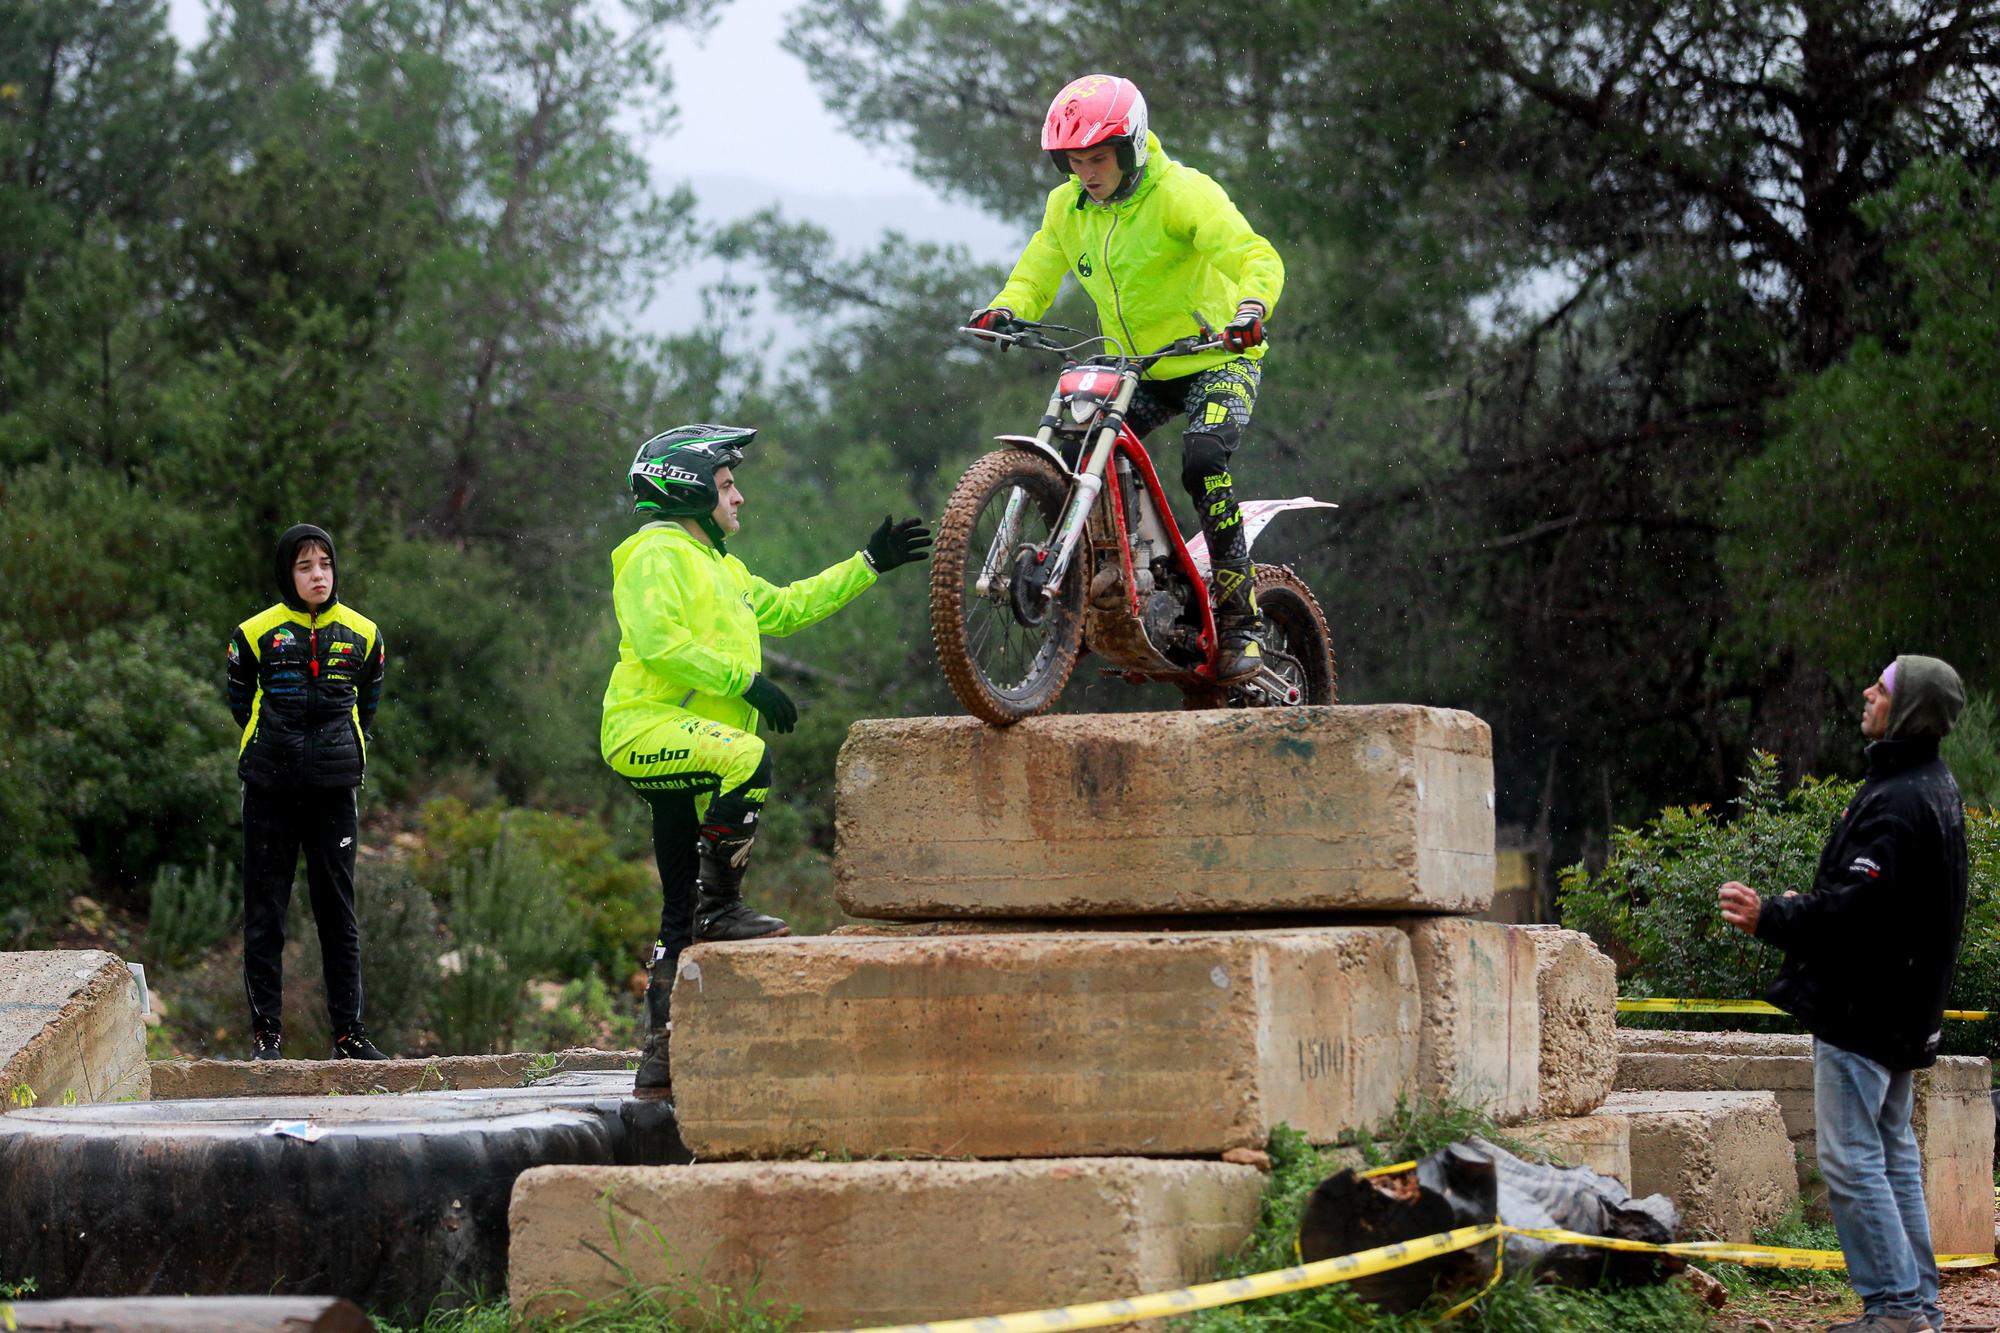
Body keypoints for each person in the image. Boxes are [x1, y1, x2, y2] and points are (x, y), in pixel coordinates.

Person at [603, 423, 931, 1096]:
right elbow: (659, 643)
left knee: (675, 910)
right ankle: (721, 908)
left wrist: (866, 564)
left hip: (691, 747)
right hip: (646, 728)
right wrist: (746, 682)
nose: (739, 497)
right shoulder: (653, 554)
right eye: (727, 485)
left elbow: (786, 606)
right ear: (691, 489)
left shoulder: (724, 567)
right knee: (749, 759)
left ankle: (658, 1064)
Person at [968, 72, 1285, 681]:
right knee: (1079, 446)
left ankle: (1242, 621)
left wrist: (1251, 309)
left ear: (1132, 146)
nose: (1087, 172)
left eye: (1099, 158)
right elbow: (1037, 270)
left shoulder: (1183, 194)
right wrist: (1008, 308)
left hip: (1217, 355)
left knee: (1202, 461)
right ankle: (1102, 591)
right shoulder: (1068, 206)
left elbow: (1254, 255)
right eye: (1075, 160)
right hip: (1139, 366)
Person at [1718, 656, 1969, 1333]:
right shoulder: (1930, 785)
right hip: (1900, 1008)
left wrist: (1772, 915)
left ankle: (1893, 1311)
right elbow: (1888, 904)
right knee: (1890, 1154)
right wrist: (1819, 902)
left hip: (1864, 1009)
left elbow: (1862, 913)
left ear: (1907, 707)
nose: (1866, 691)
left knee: (1852, 1158)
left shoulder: (1899, 797)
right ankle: (1918, 1308)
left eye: (1882, 687)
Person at [225, 524, 390, 1062]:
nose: (318, 574)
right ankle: (266, 1037)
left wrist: (336, 751)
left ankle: (349, 1035)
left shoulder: (365, 633)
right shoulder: (253, 634)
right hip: (270, 788)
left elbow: (367, 705)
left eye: (324, 564)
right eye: (304, 566)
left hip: (333, 791)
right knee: (265, 913)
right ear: (286, 574)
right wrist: (279, 747)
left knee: (338, 915)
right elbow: (239, 702)